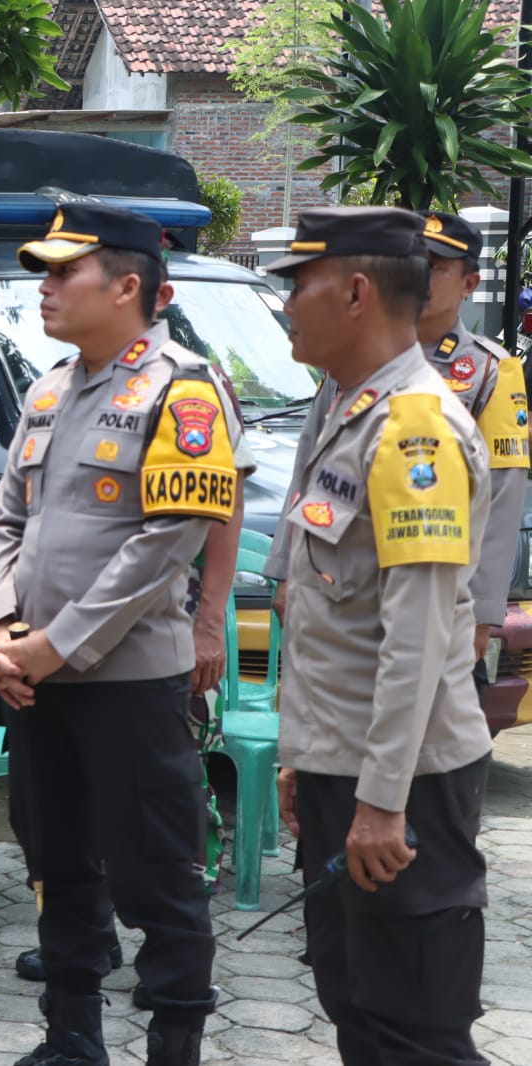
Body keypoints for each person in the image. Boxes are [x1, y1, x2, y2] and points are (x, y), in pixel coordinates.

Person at [0, 202, 251, 1066]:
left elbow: (163, 543)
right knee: (58, 864)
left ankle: (173, 1047)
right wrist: (3, 632)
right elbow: (4, 526)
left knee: (160, 880)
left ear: (127, 284)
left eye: (65, 272)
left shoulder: (185, 387)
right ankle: (71, 1042)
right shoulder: (48, 388)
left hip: (130, 683)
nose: (46, 287)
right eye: (46, 273)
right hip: (35, 679)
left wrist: (54, 645)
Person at [262, 206, 494, 1065]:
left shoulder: (414, 426)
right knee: (356, 998)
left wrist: (381, 799)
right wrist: (306, 755)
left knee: (412, 1026)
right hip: (349, 766)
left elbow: (421, 636)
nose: (286, 305)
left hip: (401, 782)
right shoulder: (347, 410)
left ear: (356, 292)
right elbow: (332, 615)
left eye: (299, 284)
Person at [416, 212, 530, 682]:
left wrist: (483, 613)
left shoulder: (489, 370)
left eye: (435, 266)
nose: (418, 276)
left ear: (469, 284)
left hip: (444, 597)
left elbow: (503, 496)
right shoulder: (356, 354)